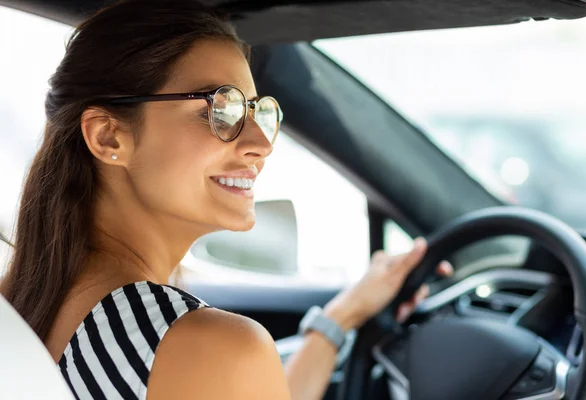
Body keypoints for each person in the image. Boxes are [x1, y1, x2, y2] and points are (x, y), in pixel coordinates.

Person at [0, 0, 451, 399]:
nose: (261, 143)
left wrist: (339, 320)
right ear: (108, 136)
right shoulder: (206, 346)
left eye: (257, 111)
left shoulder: (25, 308)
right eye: (221, 109)